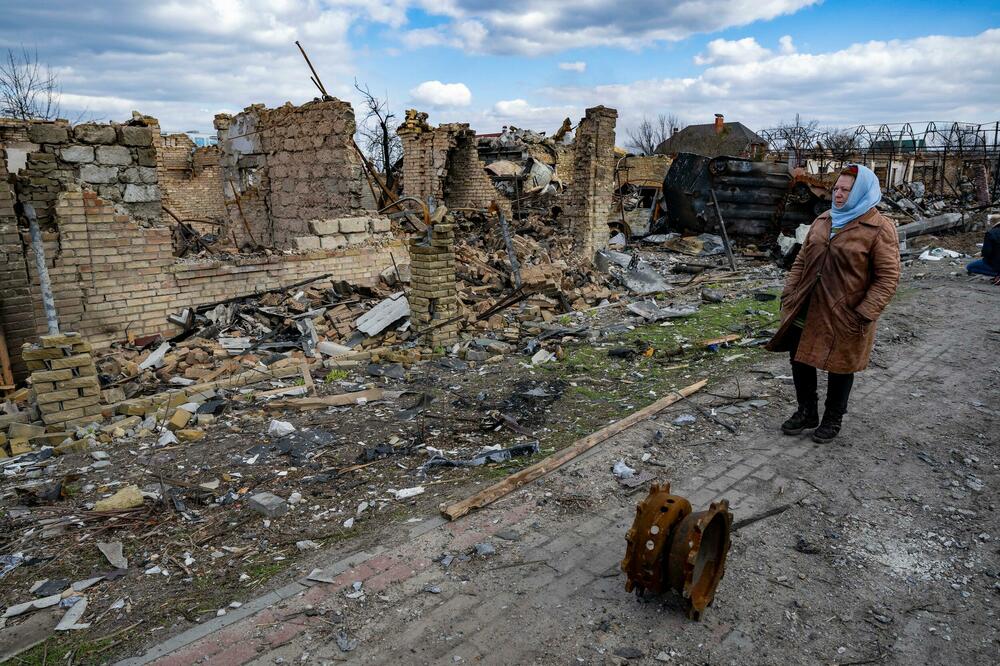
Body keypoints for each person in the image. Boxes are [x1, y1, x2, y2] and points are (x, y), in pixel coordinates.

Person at [766, 164, 900, 443]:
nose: (838, 195)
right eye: (836, 189)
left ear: (862, 192)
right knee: (800, 356)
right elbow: (801, 261)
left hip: (846, 311)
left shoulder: (878, 227)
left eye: (846, 190)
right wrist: (789, 294)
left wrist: (864, 313)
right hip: (807, 305)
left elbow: (888, 277)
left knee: (841, 365)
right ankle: (807, 411)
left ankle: (832, 418)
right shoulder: (824, 219)